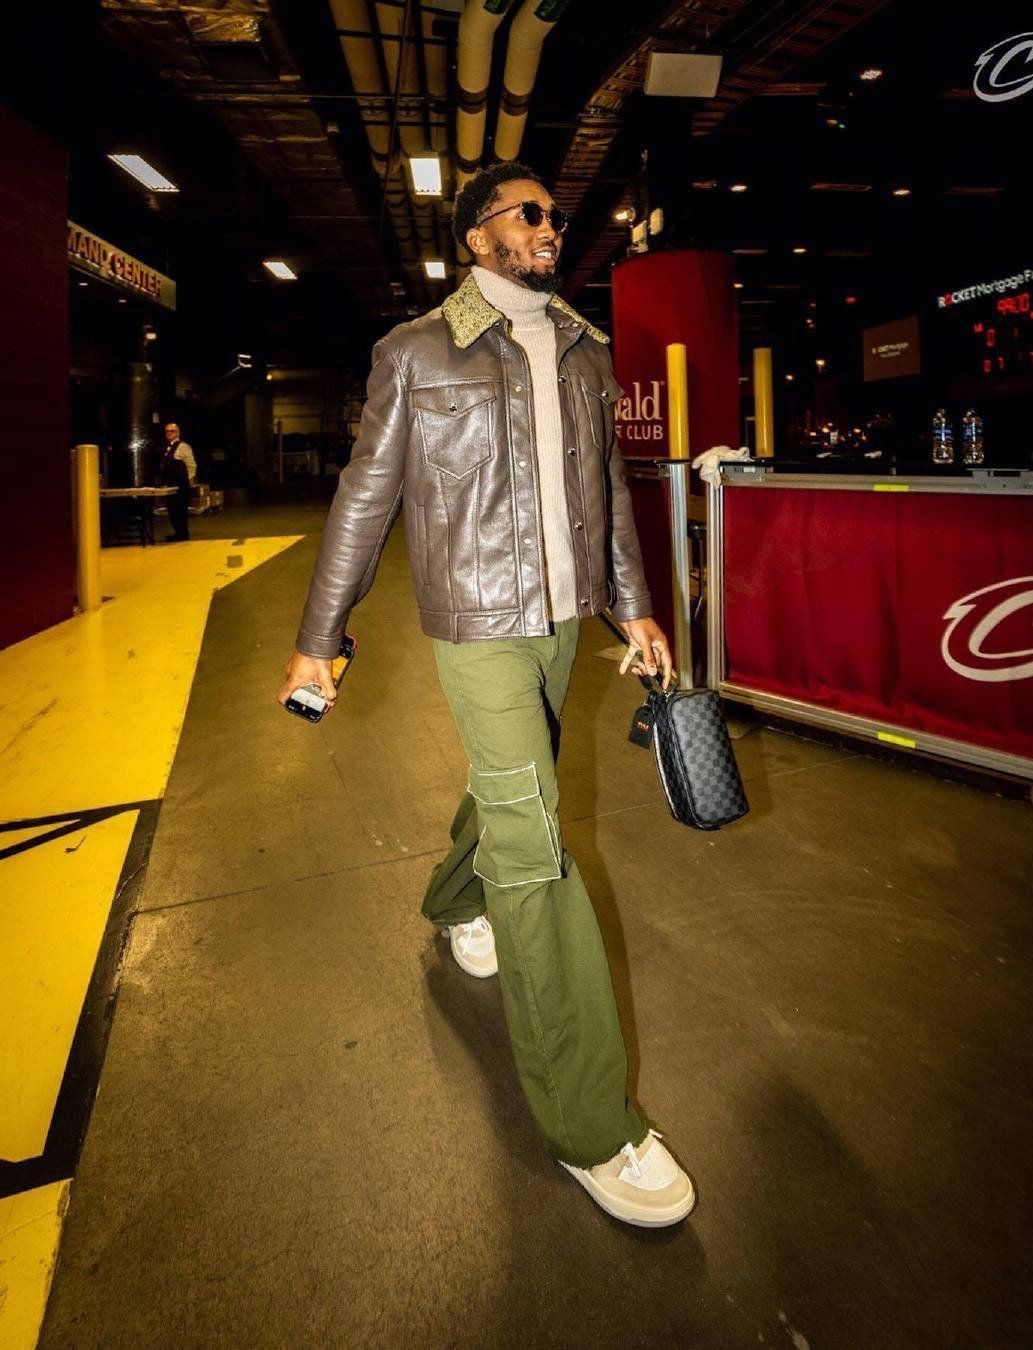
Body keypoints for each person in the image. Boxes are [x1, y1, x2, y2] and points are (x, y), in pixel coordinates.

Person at [277, 161, 695, 1228]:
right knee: (534, 844)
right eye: (530, 213)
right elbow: (365, 498)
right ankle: (590, 1123)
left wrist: (634, 610)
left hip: (562, 621)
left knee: (522, 784)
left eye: (556, 215)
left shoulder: (587, 350)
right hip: (476, 623)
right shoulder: (418, 352)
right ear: (476, 237)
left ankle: (452, 899)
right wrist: (319, 640)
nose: (552, 226)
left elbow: (609, 493)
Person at [160, 421, 197, 541]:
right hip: (171, 484)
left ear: (178, 433)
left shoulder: (183, 446)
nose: (169, 433)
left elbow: (191, 465)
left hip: (181, 484)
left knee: (180, 510)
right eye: (167, 431)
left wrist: (187, 481)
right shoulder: (167, 448)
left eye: (172, 431)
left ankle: (182, 533)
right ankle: (178, 532)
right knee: (172, 509)